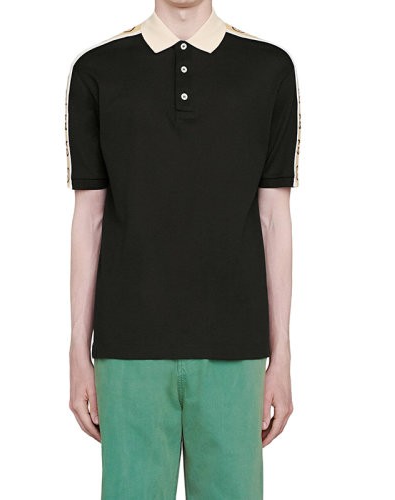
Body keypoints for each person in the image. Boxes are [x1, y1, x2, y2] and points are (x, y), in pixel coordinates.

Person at [66, 0, 300, 497]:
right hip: (127, 351)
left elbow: (274, 219)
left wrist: (281, 357)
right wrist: (77, 351)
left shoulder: (269, 69)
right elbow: (89, 219)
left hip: (236, 351)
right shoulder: (98, 70)